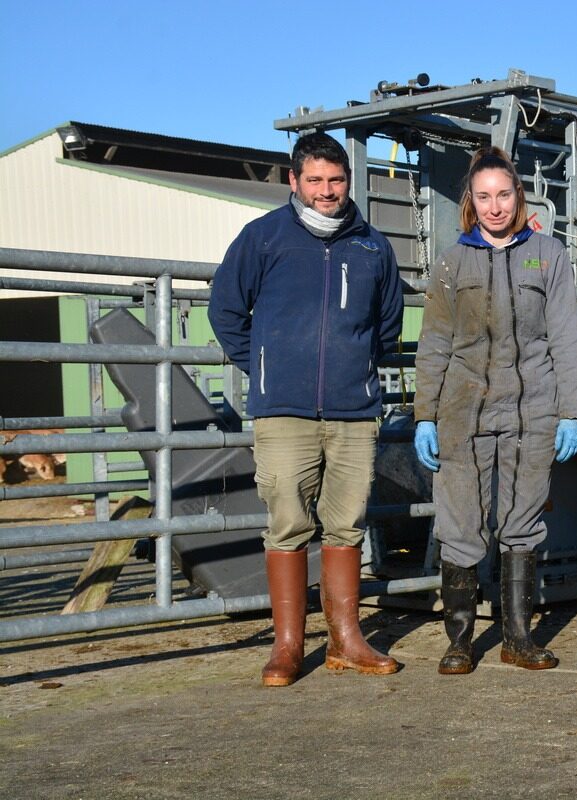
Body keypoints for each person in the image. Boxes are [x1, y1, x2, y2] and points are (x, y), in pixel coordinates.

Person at [209, 132, 405, 687]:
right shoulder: (263, 238)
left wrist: (356, 369)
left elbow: (386, 325)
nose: (326, 191)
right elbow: (226, 312)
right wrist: (268, 369)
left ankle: (347, 639)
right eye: (315, 180)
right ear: (293, 181)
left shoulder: (372, 246)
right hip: (284, 410)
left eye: (336, 180)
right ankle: (289, 646)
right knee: (289, 521)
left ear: (349, 182)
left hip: (352, 409)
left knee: (346, 522)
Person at [413, 146, 577, 674]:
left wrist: (571, 411)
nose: (495, 207)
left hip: (532, 409)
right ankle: (459, 642)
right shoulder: (451, 263)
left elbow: (564, 336)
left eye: (504, 195)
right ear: (471, 200)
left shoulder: (548, 255)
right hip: (462, 412)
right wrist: (425, 414)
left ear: (519, 197)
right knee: (461, 523)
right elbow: (435, 342)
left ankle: (518, 637)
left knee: (522, 522)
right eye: (485, 197)